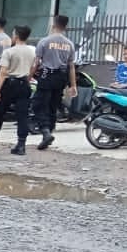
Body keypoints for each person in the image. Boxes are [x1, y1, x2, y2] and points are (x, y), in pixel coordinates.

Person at [0, 24, 37, 155]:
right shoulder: (32, 51)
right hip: (24, 84)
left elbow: (3, 73)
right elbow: (33, 68)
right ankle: (21, 145)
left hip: (9, 84)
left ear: (16, 35)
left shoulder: (9, 52)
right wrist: (27, 79)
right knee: (22, 116)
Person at [32, 14, 80, 150]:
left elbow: (37, 62)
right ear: (66, 27)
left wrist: (29, 76)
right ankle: (49, 134)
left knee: (38, 105)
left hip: (47, 76)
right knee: (53, 106)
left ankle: (45, 131)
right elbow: (71, 66)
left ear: (53, 25)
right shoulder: (69, 44)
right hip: (61, 77)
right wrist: (73, 85)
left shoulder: (45, 41)